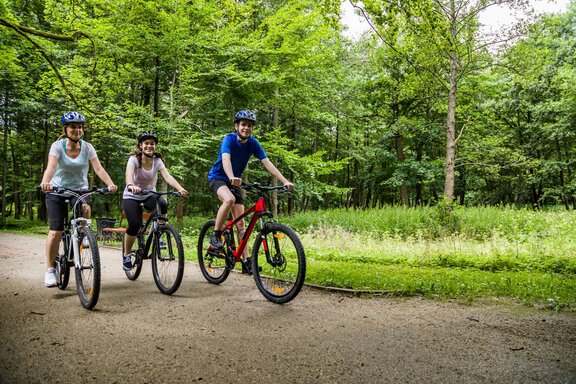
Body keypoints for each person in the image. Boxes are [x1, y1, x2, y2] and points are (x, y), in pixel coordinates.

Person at [207, 110, 294, 274]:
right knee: (229, 200)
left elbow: (267, 163)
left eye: (249, 125)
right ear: (236, 126)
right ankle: (216, 235)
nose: (246, 128)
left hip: (235, 181)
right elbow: (225, 158)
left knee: (241, 224)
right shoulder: (229, 139)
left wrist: (284, 181)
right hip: (218, 177)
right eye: (243, 124)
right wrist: (231, 175)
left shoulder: (253, 143)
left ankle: (246, 261)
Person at [40, 111, 118, 287]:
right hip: (57, 190)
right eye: (73, 127)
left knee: (84, 210)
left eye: (80, 127)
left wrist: (110, 184)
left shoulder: (88, 147)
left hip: (79, 189)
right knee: (56, 231)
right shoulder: (57, 146)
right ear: (66, 129)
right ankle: (50, 270)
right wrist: (46, 182)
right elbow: (51, 167)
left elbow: (98, 169)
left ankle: (83, 236)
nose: (77, 130)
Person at [121, 131, 188, 270]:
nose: (149, 146)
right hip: (131, 195)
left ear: (155, 146)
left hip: (149, 194)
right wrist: (131, 185)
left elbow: (167, 177)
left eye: (152, 144)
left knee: (162, 204)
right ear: (140, 145)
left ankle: (160, 233)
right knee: (134, 225)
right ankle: (126, 255)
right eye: (146, 143)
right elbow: (128, 174)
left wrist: (180, 188)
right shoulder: (134, 159)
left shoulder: (157, 161)